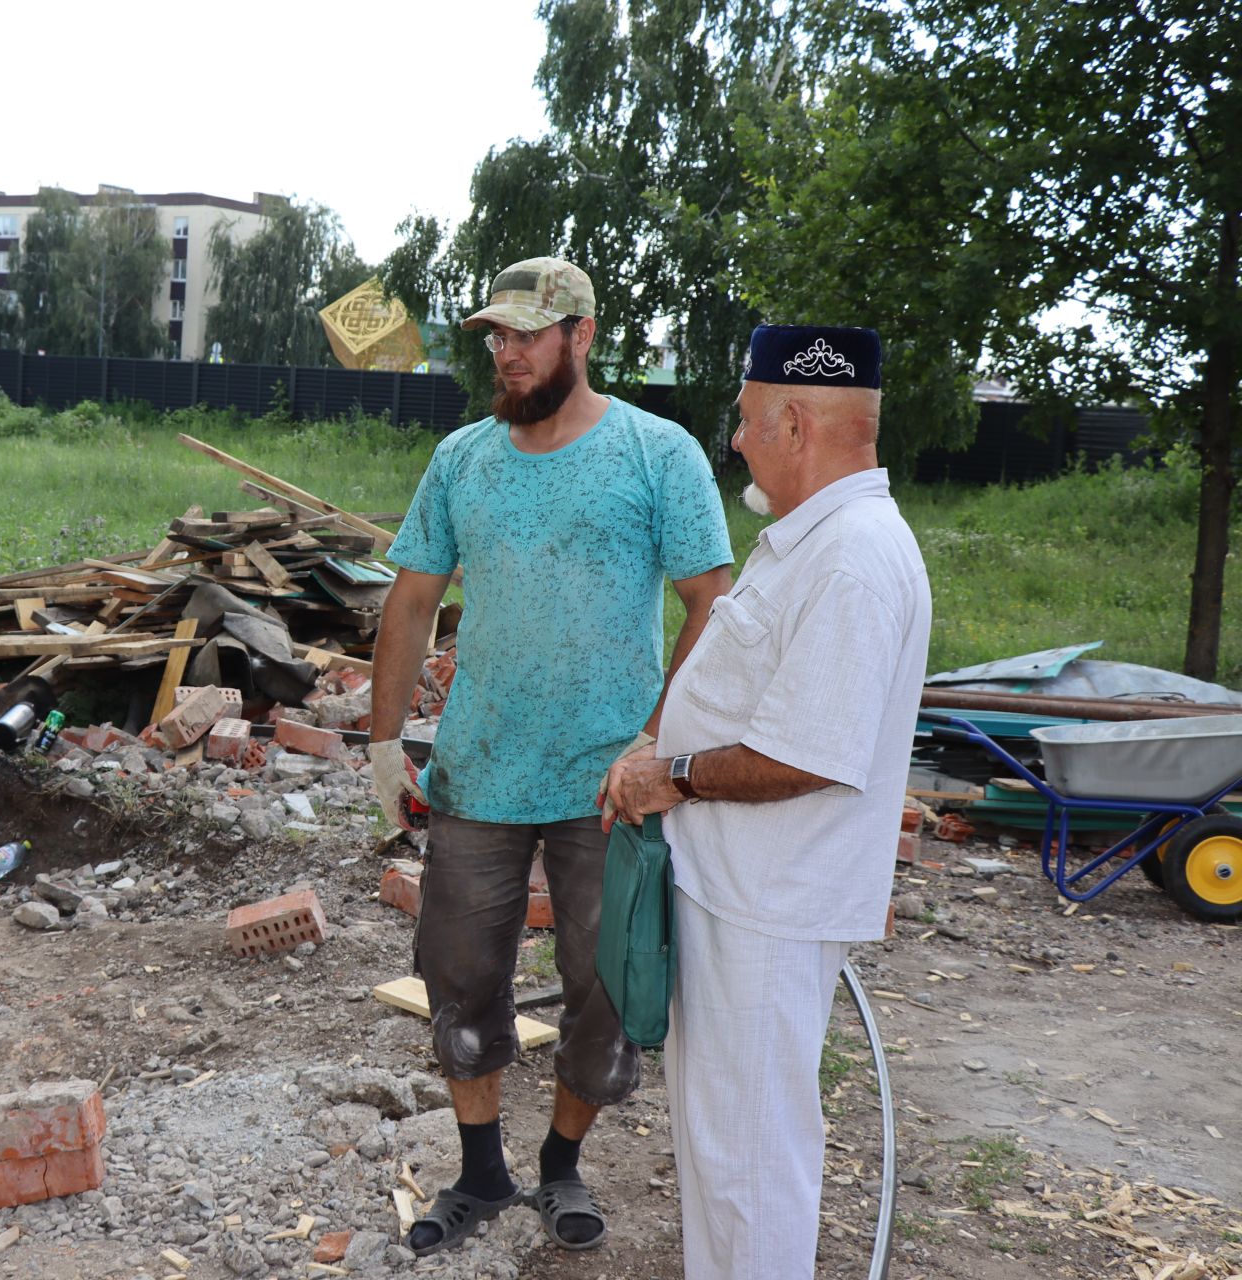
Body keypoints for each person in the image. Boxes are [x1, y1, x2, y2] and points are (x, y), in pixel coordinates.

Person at [368, 257, 733, 1256]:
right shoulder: (463, 460)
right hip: (480, 769)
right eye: (496, 334)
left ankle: (562, 1162)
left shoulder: (659, 455)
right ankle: (480, 1165)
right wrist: (380, 739)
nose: (506, 350)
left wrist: (659, 740)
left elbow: (711, 599)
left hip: (606, 784)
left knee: (603, 985)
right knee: (458, 975)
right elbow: (409, 599)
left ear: (582, 334)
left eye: (528, 333)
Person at [605, 325, 931, 1279]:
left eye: (747, 422)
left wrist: (672, 777)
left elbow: (810, 754)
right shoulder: (811, 542)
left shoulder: (852, 558)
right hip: (740, 892)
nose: (737, 441)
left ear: (795, 421)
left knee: (751, 1162)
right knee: (725, 1150)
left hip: (770, 907)